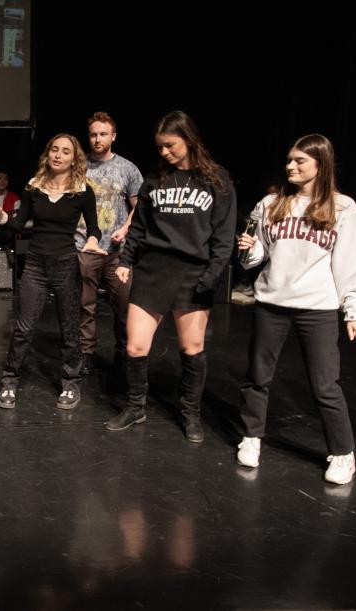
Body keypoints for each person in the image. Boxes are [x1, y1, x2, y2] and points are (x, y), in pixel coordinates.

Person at [235, 134, 356, 484]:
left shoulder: (343, 207)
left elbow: (348, 262)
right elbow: (255, 258)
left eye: (300, 161)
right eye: (289, 160)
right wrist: (247, 250)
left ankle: (342, 453)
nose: (290, 166)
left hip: (317, 307)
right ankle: (251, 437)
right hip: (271, 302)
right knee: (258, 377)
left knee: (325, 385)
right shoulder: (271, 203)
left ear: (319, 165)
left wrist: (353, 310)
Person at [108, 110, 236, 443]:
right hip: (153, 271)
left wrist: (211, 278)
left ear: (189, 140)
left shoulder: (217, 180)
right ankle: (136, 406)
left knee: (191, 348)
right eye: (160, 147)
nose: (164, 152)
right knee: (135, 346)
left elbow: (223, 238)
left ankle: (190, 413)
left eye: (170, 145)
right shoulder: (155, 179)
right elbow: (138, 228)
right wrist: (126, 260)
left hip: (194, 273)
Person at [0, 134, 103, 411]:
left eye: (65, 151)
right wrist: (1, 217)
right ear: (48, 154)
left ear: (74, 158)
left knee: (70, 330)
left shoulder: (82, 190)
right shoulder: (34, 187)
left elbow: (94, 228)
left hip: (66, 263)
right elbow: (19, 224)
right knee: (23, 328)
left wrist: (93, 241)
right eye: (54, 150)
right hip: (35, 263)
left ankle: (71, 383)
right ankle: (10, 379)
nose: (58, 155)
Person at [76, 112, 143, 380]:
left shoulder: (127, 168)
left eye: (103, 134)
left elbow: (140, 207)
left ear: (113, 136)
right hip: (85, 247)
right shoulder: (78, 167)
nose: (97, 139)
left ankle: (123, 354)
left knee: (124, 306)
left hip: (117, 252)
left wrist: (126, 227)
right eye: (93, 134)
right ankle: (86, 354)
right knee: (85, 306)